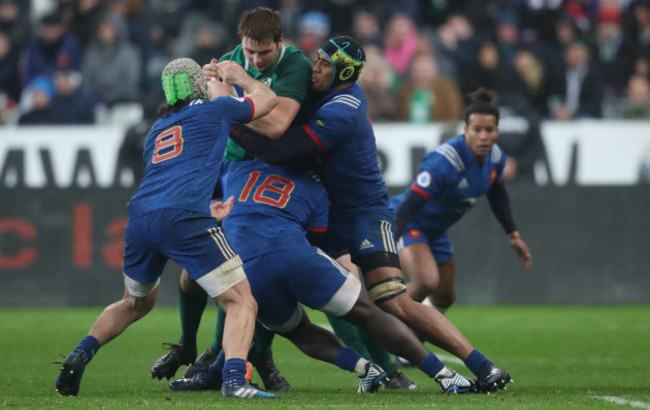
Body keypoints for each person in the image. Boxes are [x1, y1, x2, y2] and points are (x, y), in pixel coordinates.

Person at [229, 35, 513, 394]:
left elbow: (286, 150)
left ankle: (481, 365)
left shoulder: (342, 108)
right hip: (331, 209)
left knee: (391, 299)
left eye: (325, 64)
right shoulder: (321, 93)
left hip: (364, 211)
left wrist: (230, 116)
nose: (315, 67)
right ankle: (368, 369)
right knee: (293, 282)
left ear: (343, 73)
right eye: (317, 59)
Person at [54, 57, 278, 399]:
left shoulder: (157, 129)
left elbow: (169, 179)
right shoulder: (216, 110)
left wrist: (203, 206)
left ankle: (79, 354)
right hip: (184, 217)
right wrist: (241, 77)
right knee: (242, 302)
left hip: (142, 218)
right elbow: (268, 102)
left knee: (133, 304)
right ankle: (234, 381)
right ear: (199, 86)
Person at [167, 157, 475, 394]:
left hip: (249, 271)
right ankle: (444, 375)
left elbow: (197, 184)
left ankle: (363, 367)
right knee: (367, 312)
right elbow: (320, 239)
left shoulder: (235, 169)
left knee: (297, 330)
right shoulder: (316, 188)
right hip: (295, 255)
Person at [150, 7, 312, 392]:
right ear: (241, 43)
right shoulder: (230, 59)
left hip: (267, 173)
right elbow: (211, 115)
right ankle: (190, 345)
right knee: (194, 269)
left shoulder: (296, 67)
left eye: (263, 55)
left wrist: (234, 88)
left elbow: (276, 126)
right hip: (223, 169)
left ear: (280, 43)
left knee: (249, 269)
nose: (254, 60)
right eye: (248, 53)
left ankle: (243, 358)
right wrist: (208, 95)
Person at [391, 88, 533, 314]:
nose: (483, 136)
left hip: (436, 231)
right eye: (477, 130)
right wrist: (388, 248)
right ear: (466, 130)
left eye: (489, 129)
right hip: (410, 222)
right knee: (427, 281)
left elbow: (497, 194)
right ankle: (374, 317)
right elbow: (410, 205)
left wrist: (513, 234)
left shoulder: (496, 157)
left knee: (445, 296)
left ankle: (409, 344)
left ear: (497, 131)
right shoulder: (445, 162)